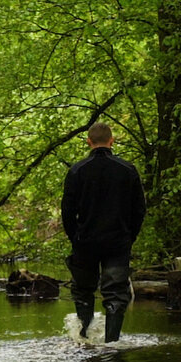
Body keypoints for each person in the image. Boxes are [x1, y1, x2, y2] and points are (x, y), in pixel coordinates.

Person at [61, 122, 147, 343]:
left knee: (83, 290)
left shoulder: (77, 171)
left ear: (89, 142)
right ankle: (112, 342)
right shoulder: (127, 170)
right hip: (118, 240)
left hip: (86, 240)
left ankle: (84, 338)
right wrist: (130, 236)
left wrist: (75, 237)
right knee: (116, 292)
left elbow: (67, 211)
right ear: (112, 141)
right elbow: (139, 209)